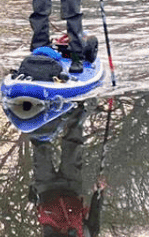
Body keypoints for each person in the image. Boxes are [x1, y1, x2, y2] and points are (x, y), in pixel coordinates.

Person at [27, 101, 104, 237]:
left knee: (41, 148)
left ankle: (41, 112)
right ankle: (79, 111)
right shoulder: (88, 234)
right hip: (71, 187)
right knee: (72, 147)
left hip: (46, 190)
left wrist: (33, 196)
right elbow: (94, 217)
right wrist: (99, 192)